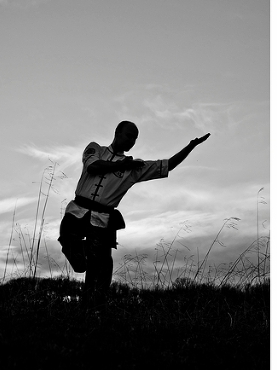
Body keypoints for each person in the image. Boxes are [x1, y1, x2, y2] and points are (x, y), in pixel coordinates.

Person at [59, 121, 209, 305]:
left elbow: (167, 165)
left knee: (100, 268)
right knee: (78, 260)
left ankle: (92, 308)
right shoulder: (95, 148)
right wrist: (123, 165)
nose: (132, 141)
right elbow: (93, 167)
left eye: (135, 138)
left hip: (103, 219)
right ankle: (89, 254)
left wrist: (190, 146)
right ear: (117, 133)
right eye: (129, 135)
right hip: (76, 213)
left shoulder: (134, 168)